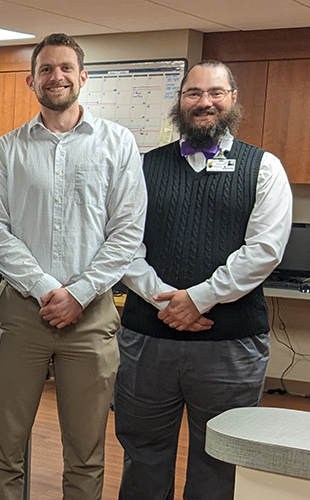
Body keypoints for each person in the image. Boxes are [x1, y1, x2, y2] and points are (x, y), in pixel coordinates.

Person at [0, 33, 147, 500]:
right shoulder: (8, 149)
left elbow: (127, 232)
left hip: (90, 318)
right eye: (47, 69)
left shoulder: (117, 144)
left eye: (66, 68)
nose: (56, 77)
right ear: (31, 80)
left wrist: (78, 293)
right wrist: (45, 287)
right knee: (4, 444)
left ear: (83, 76)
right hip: (21, 315)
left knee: (87, 449)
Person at [116, 60, 292, 500]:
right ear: (180, 101)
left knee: (221, 462)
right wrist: (166, 304)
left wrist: (197, 299)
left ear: (233, 98)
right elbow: (123, 246)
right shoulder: (141, 167)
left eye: (215, 92)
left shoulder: (264, 168)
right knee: (142, 455)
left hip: (229, 347)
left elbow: (264, 251)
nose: (204, 102)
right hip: (147, 343)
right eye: (193, 93)